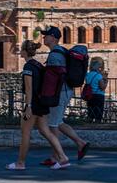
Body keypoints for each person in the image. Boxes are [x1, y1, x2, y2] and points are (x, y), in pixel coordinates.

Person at [6, 40, 69, 170]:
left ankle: (20, 163)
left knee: (25, 133)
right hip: (42, 103)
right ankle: (63, 157)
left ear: (24, 51)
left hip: (33, 105)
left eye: (21, 49)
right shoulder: (38, 65)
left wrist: (28, 107)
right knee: (45, 131)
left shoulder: (28, 67)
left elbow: (29, 89)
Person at [40, 26, 90, 165]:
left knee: (53, 125)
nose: (44, 37)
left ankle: (56, 157)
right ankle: (80, 143)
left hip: (59, 92)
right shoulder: (62, 51)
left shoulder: (55, 55)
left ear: (54, 38)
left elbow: (55, 76)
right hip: (66, 90)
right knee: (59, 122)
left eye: (47, 35)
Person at [86, 57, 108, 123]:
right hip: (98, 96)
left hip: (89, 95)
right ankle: (97, 125)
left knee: (90, 111)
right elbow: (102, 87)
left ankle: (89, 125)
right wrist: (106, 81)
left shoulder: (88, 75)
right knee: (98, 113)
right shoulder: (99, 76)